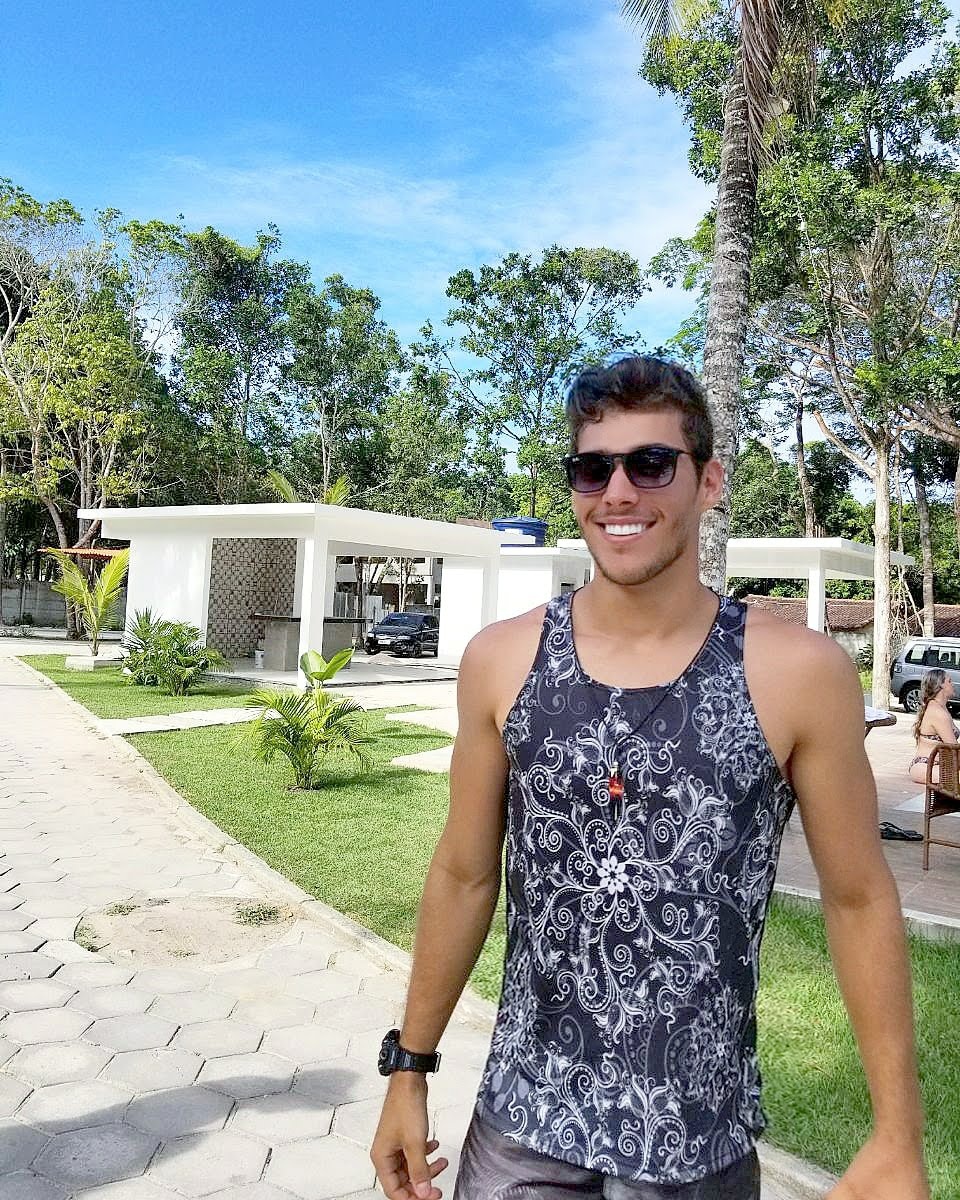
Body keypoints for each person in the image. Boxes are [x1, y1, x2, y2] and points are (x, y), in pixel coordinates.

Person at [370, 355, 928, 1200]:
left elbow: (859, 898)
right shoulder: (502, 660)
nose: (619, 493)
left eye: (652, 464)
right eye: (593, 469)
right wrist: (408, 1069)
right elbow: (463, 872)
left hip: (696, 1143)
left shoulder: (796, 672)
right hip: (524, 1127)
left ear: (709, 481)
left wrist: (897, 1135)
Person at [908, 668, 958, 786]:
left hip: (940, 765)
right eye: (949, 681)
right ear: (941, 685)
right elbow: (954, 748)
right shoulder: (937, 713)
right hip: (927, 766)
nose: (953, 684)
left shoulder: (941, 707)